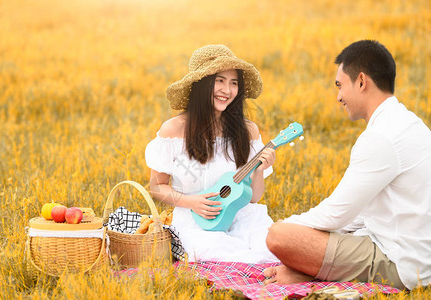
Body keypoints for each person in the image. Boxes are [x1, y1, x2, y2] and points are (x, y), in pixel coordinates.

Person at [263, 40, 431, 290]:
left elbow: (336, 214)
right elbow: (358, 214)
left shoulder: (381, 137)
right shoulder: (409, 123)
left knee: (278, 236)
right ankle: (306, 270)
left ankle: (308, 272)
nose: (339, 96)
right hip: (413, 251)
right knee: (305, 234)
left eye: (340, 86)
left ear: (361, 81)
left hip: (401, 263)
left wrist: (286, 225)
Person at [145, 44, 280, 263]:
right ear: (201, 84)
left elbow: (253, 198)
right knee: (214, 250)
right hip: (196, 221)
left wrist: (259, 170)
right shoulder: (174, 130)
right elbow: (157, 186)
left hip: (241, 217)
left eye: (234, 83)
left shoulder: (247, 131)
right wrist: (191, 202)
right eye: (220, 81)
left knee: (272, 248)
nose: (227, 90)